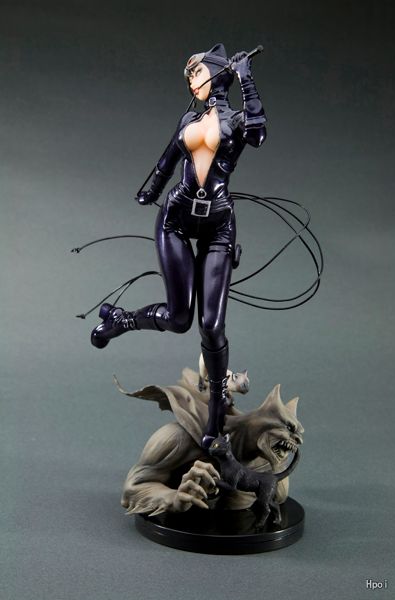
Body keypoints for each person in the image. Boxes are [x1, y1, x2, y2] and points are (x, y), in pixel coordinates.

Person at [90, 43, 266, 448]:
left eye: (197, 72)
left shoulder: (237, 120)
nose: (191, 81)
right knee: (179, 317)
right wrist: (151, 189)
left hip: (219, 226)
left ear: (218, 73)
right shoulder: (189, 118)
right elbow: (169, 158)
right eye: (189, 76)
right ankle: (121, 321)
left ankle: (216, 413)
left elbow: (258, 133)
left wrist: (246, 77)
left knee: (212, 326)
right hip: (176, 218)